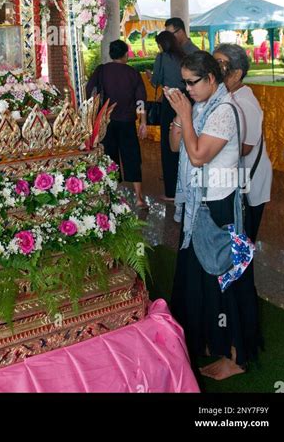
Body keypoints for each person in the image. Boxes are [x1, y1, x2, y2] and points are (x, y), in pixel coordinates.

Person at [166, 51, 261, 381]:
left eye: (193, 82)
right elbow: (176, 146)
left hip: (221, 205)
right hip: (200, 203)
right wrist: (180, 119)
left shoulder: (224, 109)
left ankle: (237, 355)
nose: (187, 88)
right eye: (184, 83)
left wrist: (185, 114)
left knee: (226, 278)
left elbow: (197, 156)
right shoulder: (203, 105)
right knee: (202, 277)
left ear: (211, 80)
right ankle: (213, 340)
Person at [214, 43, 272, 242]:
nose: (214, 69)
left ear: (237, 73)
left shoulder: (244, 101)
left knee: (243, 240)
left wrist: (207, 148)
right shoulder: (226, 96)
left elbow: (245, 148)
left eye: (220, 64)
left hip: (250, 181)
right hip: (234, 178)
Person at [86, 39, 148, 208]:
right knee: (132, 157)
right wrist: (143, 122)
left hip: (107, 122)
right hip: (127, 122)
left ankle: (113, 195)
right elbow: (140, 100)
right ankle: (139, 198)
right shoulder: (132, 73)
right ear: (125, 54)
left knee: (109, 157)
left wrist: (95, 112)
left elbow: (89, 91)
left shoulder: (101, 71)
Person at [149, 30, 185, 201]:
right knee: (184, 143)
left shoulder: (161, 58)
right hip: (185, 101)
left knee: (168, 145)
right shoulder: (184, 56)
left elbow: (156, 80)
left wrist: (151, 76)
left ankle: (171, 191)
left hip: (170, 101)